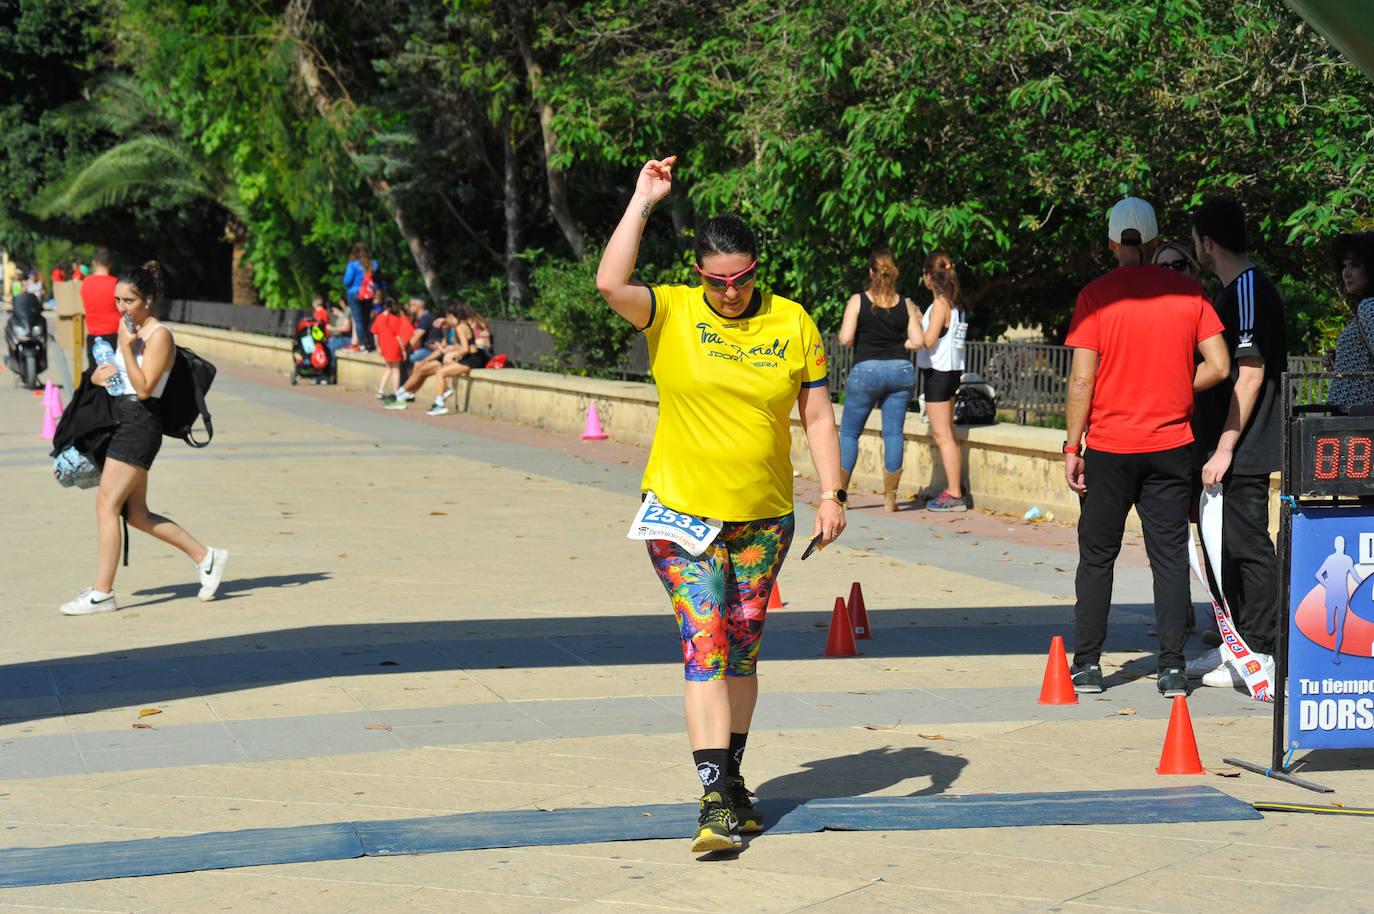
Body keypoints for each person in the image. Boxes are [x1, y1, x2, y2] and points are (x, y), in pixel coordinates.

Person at [596, 156, 846, 855]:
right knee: (704, 646)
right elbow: (609, 282)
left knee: (741, 653)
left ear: (756, 269)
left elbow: (819, 417)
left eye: (741, 278)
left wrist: (832, 493)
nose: (729, 292)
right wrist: (644, 200)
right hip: (681, 516)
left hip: (764, 521)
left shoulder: (793, 323)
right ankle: (712, 798)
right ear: (699, 273)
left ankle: (732, 778)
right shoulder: (669, 310)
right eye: (716, 280)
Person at [1064, 197, 1229, 698]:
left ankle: (1089, 666)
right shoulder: (1189, 292)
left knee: (1097, 556)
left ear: (1113, 243)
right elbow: (1220, 366)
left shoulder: (1096, 295)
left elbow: (1081, 380)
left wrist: (1073, 447)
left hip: (1111, 447)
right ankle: (1173, 669)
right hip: (1171, 444)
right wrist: (1177, 385)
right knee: (1168, 557)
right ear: (1156, 241)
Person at [59, 261, 228, 616]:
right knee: (135, 514)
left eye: (129, 301)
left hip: (139, 424)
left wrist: (125, 343)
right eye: (118, 300)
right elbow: (119, 378)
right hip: (124, 419)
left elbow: (147, 387)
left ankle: (102, 592)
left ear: (148, 299)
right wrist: (97, 378)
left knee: (106, 505)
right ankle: (206, 556)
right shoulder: (131, 330)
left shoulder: (159, 335)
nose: (121, 308)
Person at [1185, 197, 1288, 691]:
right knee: (1223, 548)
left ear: (1207, 242)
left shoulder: (1248, 290)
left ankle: (1264, 651)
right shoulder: (1229, 291)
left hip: (1244, 447)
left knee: (1248, 546)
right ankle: (1238, 648)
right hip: (1222, 447)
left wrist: (1226, 445)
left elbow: (1250, 374)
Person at [837, 247, 922, 510]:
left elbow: (845, 338)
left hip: (867, 370)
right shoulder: (905, 304)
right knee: (893, 433)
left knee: (850, 433)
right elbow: (918, 341)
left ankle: (841, 497)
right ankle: (890, 498)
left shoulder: (858, 301)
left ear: (871, 271)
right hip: (900, 370)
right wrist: (898, 344)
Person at [916, 251, 970, 511]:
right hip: (950, 372)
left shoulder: (940, 304)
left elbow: (928, 340)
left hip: (938, 374)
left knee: (942, 435)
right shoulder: (954, 302)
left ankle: (954, 493)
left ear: (929, 276)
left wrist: (912, 330)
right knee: (948, 434)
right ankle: (955, 487)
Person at [1327, 231, 1374, 410]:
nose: (1346, 273)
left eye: (1355, 265)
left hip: (1358, 420)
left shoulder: (1368, 307)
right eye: (1344, 266)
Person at [80, 248, 120, 367]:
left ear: (94, 262)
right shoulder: (117, 284)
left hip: (94, 337)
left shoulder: (86, 283)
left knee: (96, 375)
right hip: (115, 336)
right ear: (110, 263)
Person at [370, 297, 412, 405]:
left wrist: (378, 346)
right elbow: (398, 336)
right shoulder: (395, 319)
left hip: (384, 346)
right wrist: (403, 349)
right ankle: (396, 391)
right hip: (394, 346)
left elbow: (375, 333)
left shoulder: (378, 318)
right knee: (396, 370)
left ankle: (381, 390)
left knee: (388, 368)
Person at [342, 242, 379, 351]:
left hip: (355, 293)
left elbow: (347, 281)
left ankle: (363, 344)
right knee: (367, 319)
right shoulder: (373, 264)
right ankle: (371, 343)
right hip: (368, 294)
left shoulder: (353, 264)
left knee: (358, 320)